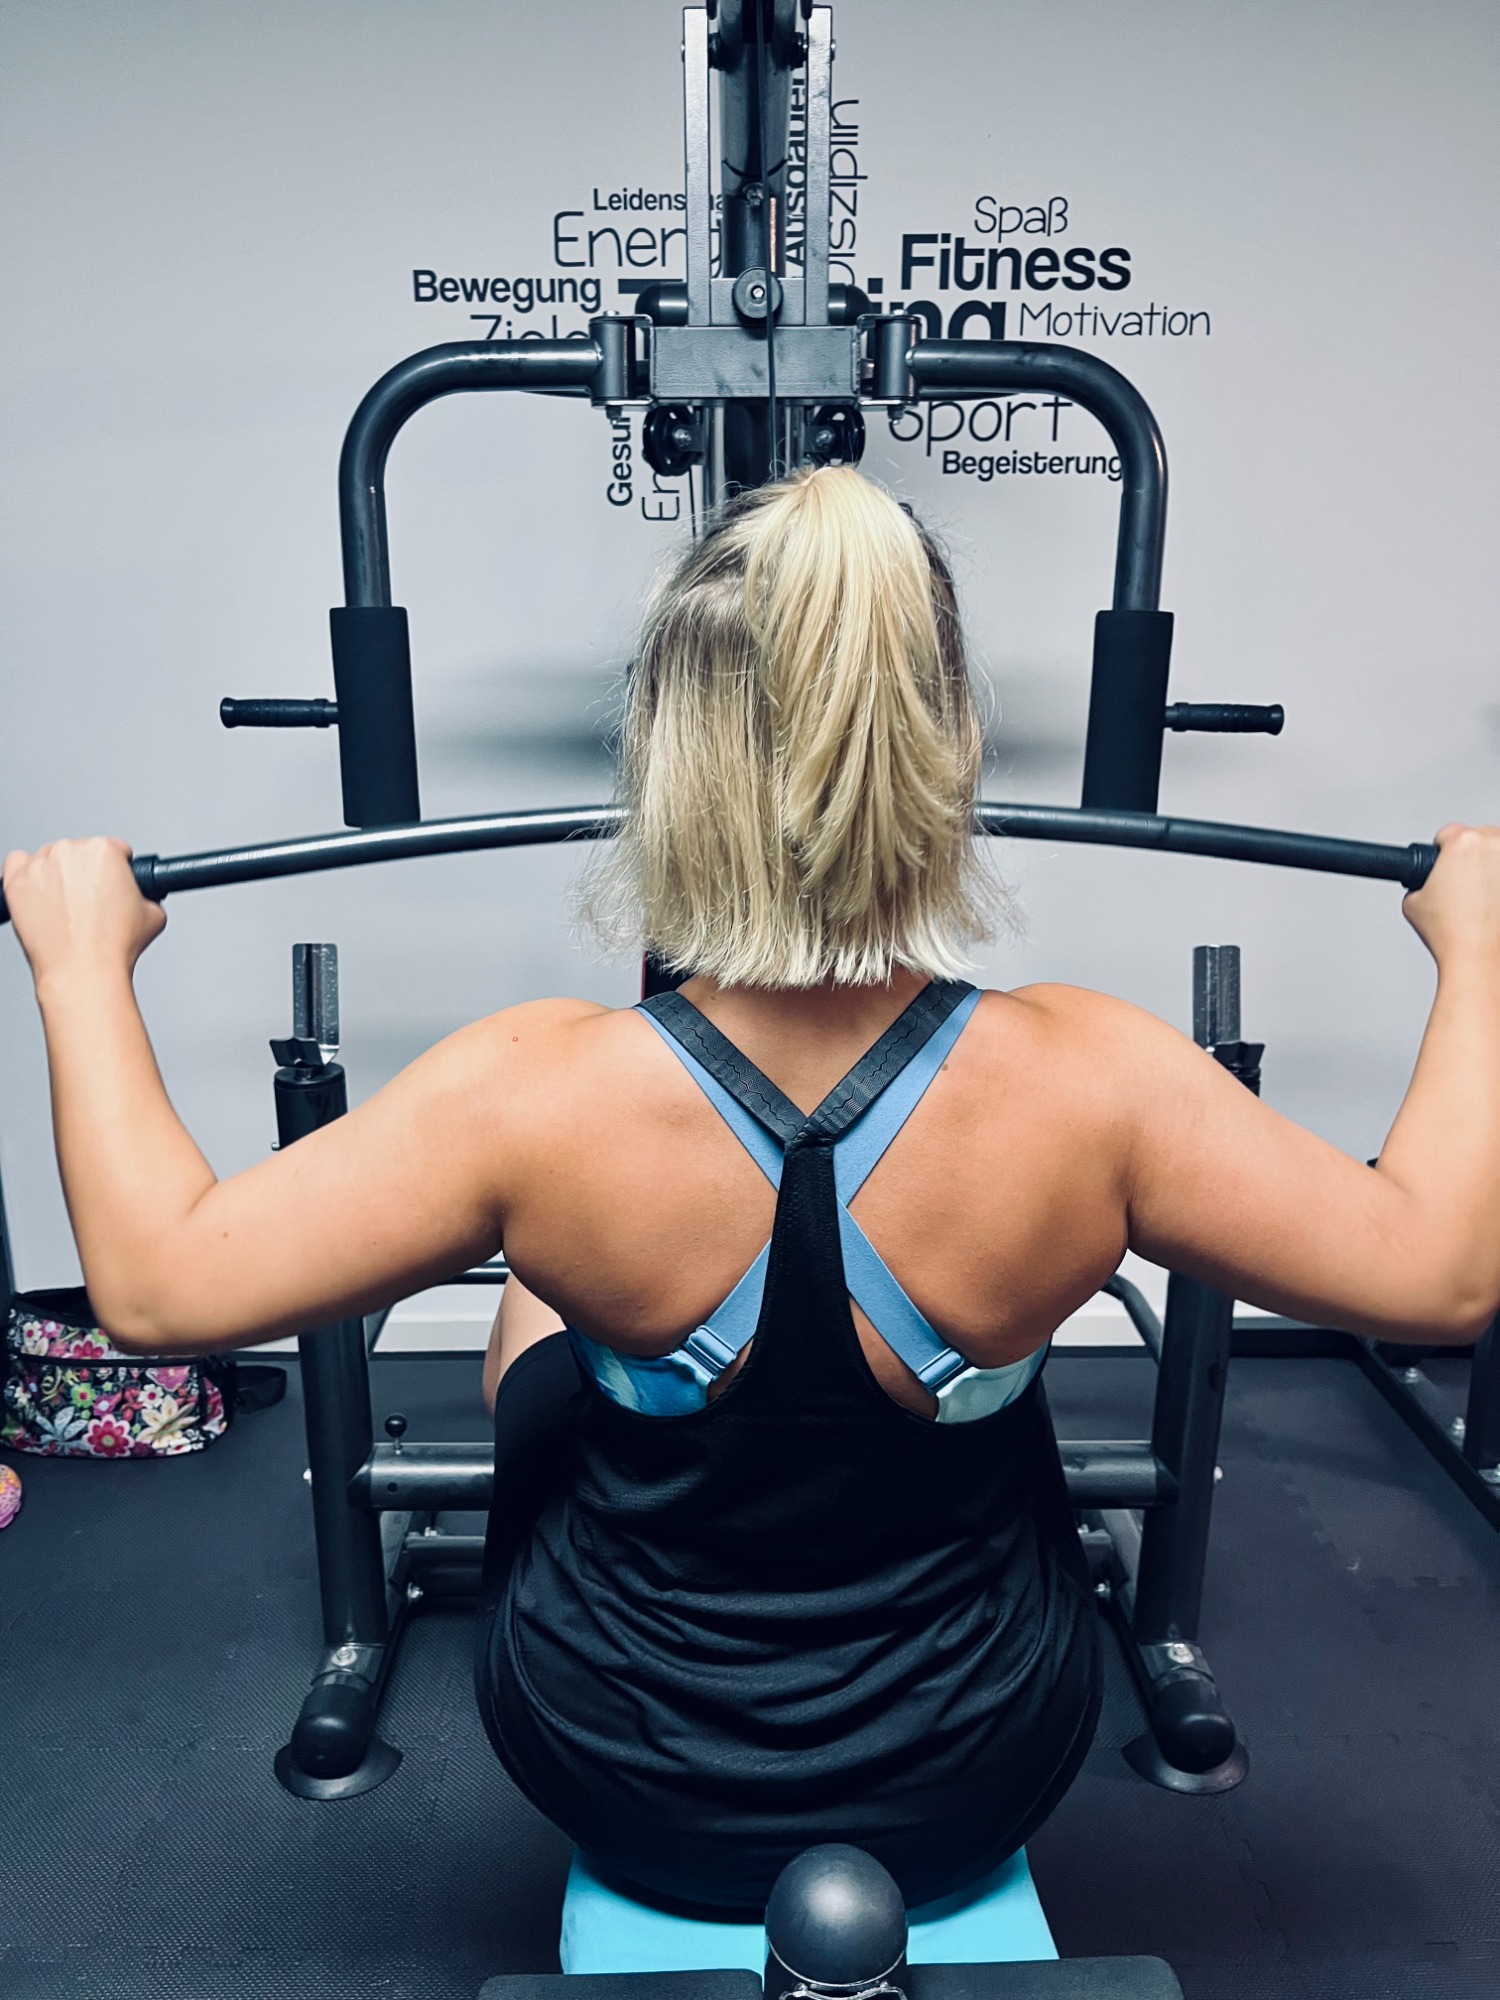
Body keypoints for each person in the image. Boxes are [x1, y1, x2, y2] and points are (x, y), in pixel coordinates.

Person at [6, 466, 1500, 1914]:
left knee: (553, 1309)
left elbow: (156, 1286)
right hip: (980, 1774)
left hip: (619, 1772)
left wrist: (80, 969)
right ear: (950, 741)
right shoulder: (1098, 1081)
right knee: (970, 1356)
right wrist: (1482, 951)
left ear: (664, 750)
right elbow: (1442, 1277)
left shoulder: (533, 1094)